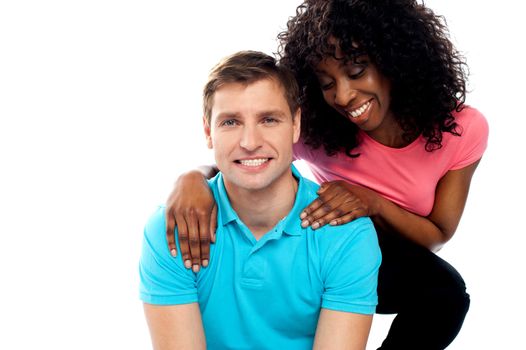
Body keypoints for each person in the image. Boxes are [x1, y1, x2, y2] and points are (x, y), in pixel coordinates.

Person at [165, 1, 489, 349]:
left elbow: (437, 234)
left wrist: (372, 202)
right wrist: (191, 180)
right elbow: (245, 156)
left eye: (356, 71)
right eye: (326, 83)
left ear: (395, 59)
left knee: (446, 295)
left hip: (384, 258)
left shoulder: (461, 129)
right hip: (313, 250)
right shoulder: (318, 132)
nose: (343, 96)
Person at [140, 51, 382, 349]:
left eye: (268, 119)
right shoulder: (174, 229)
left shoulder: (347, 235)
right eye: (231, 122)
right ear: (208, 132)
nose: (250, 142)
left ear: (295, 125)